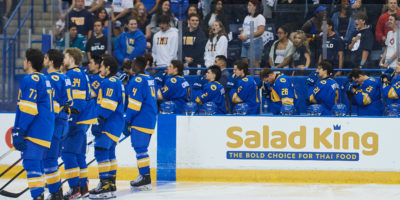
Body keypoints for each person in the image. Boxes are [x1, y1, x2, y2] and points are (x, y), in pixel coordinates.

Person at [12, 48, 54, 199]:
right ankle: (40, 195)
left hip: (35, 130)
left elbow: (29, 109)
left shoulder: (30, 79)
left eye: (24, 60)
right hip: (45, 130)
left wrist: (20, 130)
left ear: (29, 62)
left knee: (32, 164)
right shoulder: (46, 79)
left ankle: (38, 197)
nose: (23, 62)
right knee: (38, 166)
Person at [62, 48, 97, 199]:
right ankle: (83, 187)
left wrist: (69, 117)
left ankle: (74, 188)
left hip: (75, 120)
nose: (63, 59)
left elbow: (76, 102)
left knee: (68, 153)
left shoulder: (70, 74)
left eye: (65, 57)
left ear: (71, 58)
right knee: (79, 155)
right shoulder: (83, 74)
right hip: (84, 120)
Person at [89, 55, 125, 199]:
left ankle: (104, 186)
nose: (100, 68)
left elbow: (108, 106)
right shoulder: (117, 82)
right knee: (110, 153)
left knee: (101, 152)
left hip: (108, 123)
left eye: (102, 66)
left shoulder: (109, 82)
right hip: (116, 123)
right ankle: (111, 184)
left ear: (108, 68)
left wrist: (99, 121)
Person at [43, 49, 73, 200]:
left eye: (46, 57)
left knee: (49, 159)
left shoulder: (50, 79)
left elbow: (52, 106)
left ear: (51, 61)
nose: (44, 59)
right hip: (64, 123)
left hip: (54, 124)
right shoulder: (65, 77)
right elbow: (69, 102)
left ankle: (55, 192)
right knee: (52, 158)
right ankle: (56, 190)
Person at [125, 56, 158, 191]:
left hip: (140, 119)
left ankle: (145, 177)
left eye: (133, 63)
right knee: (141, 149)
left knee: (140, 148)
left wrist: (127, 120)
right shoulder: (150, 78)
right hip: (150, 118)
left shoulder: (138, 80)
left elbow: (134, 104)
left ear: (136, 65)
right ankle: (144, 175)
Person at [239, 0, 265, 69]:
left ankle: (256, 80)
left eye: (250, 5)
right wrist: (241, 34)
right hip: (245, 43)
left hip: (255, 42)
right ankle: (246, 79)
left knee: (254, 64)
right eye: (248, 5)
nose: (248, 7)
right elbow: (243, 28)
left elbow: (261, 31)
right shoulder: (247, 17)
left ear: (255, 7)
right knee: (244, 64)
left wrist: (247, 36)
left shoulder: (260, 17)